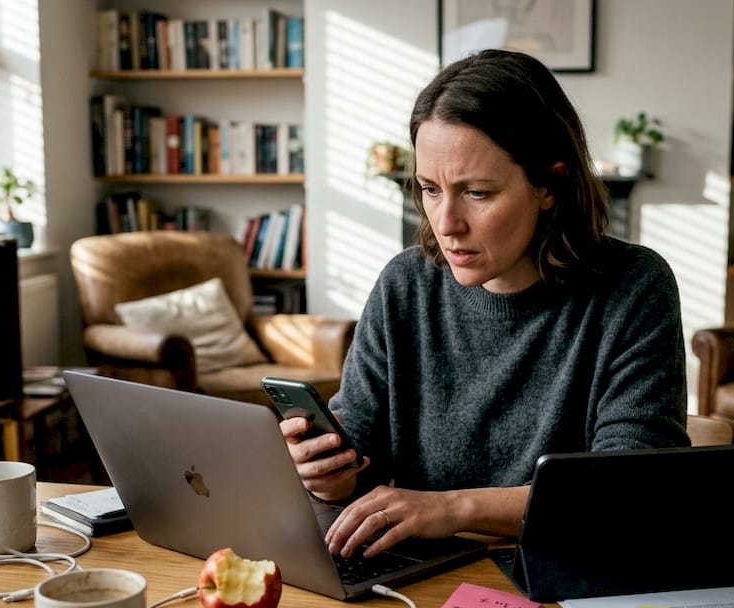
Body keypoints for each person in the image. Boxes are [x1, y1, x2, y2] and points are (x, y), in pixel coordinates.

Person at [280, 49, 689, 559]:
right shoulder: (404, 285)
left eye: (475, 192)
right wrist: (326, 473)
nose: (445, 223)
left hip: (567, 574)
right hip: (422, 579)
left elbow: (627, 490)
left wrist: (452, 509)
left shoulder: (633, 287)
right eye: (430, 189)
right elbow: (357, 465)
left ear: (550, 184)